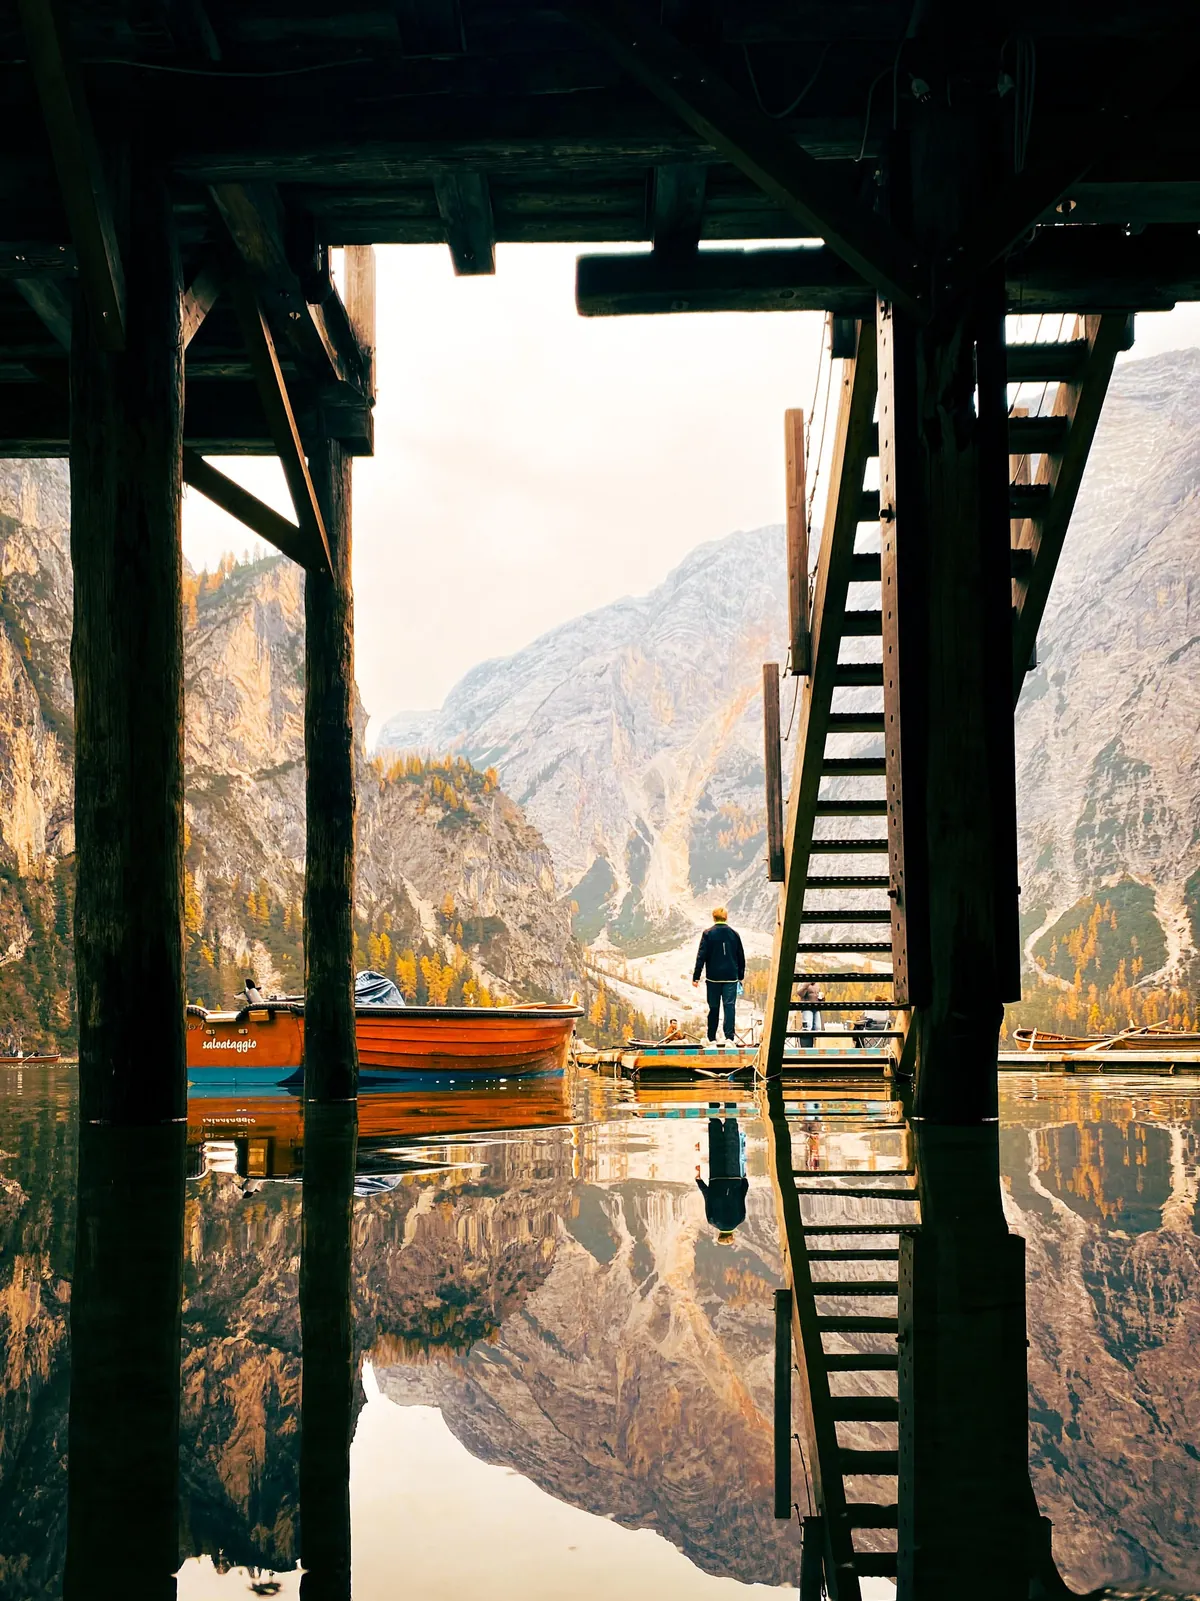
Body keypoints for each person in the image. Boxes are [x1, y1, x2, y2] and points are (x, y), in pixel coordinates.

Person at [692, 908, 745, 1050]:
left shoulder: (708, 934)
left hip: (713, 978)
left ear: (714, 918)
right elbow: (741, 957)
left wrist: (696, 976)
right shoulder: (734, 934)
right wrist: (740, 976)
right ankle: (729, 1038)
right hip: (730, 978)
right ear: (726, 917)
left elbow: (701, 956)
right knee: (729, 1007)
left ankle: (711, 1038)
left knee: (713, 1008)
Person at [695, 1109, 748, 1242]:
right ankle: (714, 1114)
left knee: (732, 1144)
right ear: (719, 1235)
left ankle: (731, 1112)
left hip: (734, 1178)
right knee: (716, 1146)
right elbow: (708, 1196)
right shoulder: (712, 1220)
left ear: (731, 1236)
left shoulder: (740, 1219)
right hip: (716, 1178)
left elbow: (742, 1195)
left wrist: (744, 1180)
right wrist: (699, 1180)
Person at [796, 980, 824, 1049]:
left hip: (816, 1008)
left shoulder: (817, 985)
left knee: (817, 1028)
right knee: (807, 1027)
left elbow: (820, 997)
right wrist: (806, 985)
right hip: (807, 1008)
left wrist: (822, 998)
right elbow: (800, 993)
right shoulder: (803, 983)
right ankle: (806, 1048)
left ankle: (817, 1047)